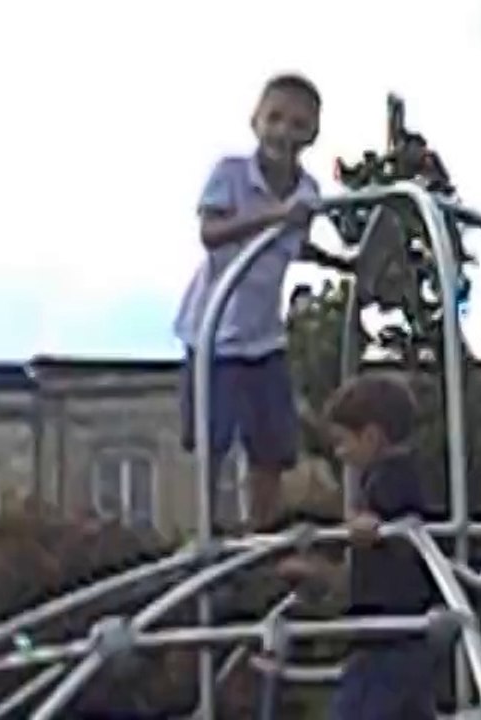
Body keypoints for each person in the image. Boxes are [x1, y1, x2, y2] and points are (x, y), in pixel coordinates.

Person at [174, 73, 353, 531]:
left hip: (263, 336)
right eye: (274, 118)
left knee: (271, 445)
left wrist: (340, 262)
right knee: (212, 439)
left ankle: (262, 530)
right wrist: (275, 214)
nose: (283, 132)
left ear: (312, 133)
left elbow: (291, 246)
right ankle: (205, 530)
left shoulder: (308, 191)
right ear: (255, 121)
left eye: (297, 123)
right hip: (214, 333)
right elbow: (210, 233)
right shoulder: (230, 173)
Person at [277, 372, 436, 720]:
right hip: (406, 632)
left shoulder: (389, 479)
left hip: (385, 637)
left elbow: (388, 528)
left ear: (372, 436)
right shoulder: (400, 474)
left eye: (343, 441)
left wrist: (364, 525)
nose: (339, 452)